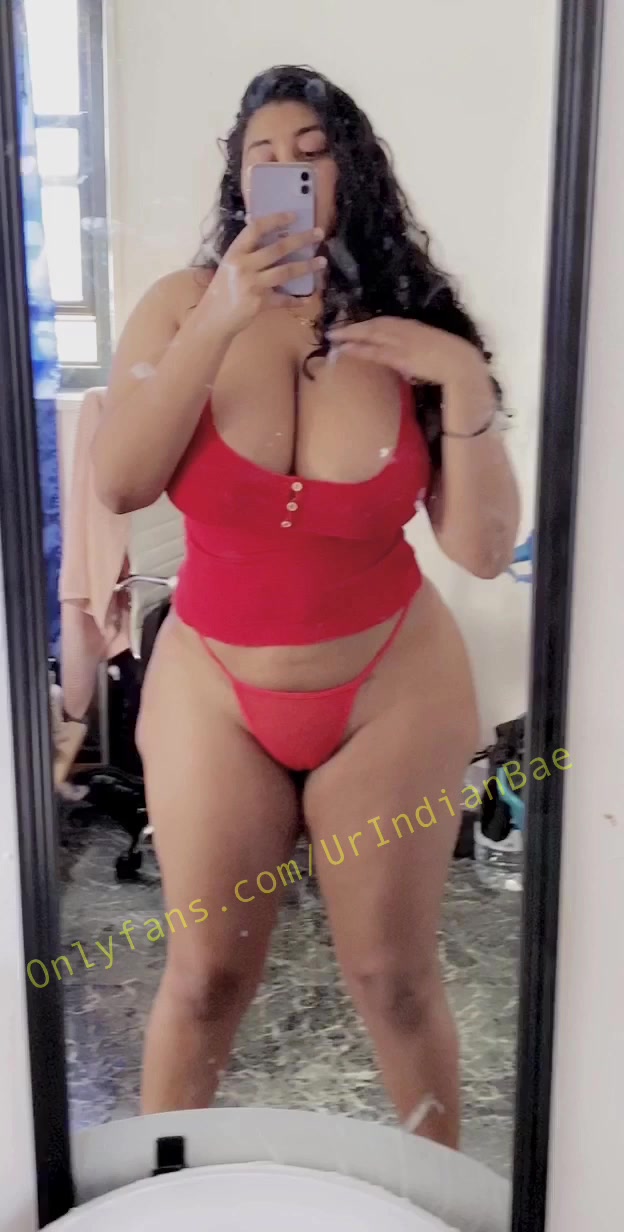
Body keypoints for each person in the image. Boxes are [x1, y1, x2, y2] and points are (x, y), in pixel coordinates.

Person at [92, 65, 520, 1147]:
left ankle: (437, 1200)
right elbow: (121, 482)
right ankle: (159, 1200)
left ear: (353, 171)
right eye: (262, 157)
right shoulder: (183, 304)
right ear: (237, 181)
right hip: (213, 688)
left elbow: (479, 550)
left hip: (391, 686)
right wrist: (218, 321)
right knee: (204, 976)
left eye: (312, 154)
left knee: (394, 978)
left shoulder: (413, 321)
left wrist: (464, 381)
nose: (285, 172)